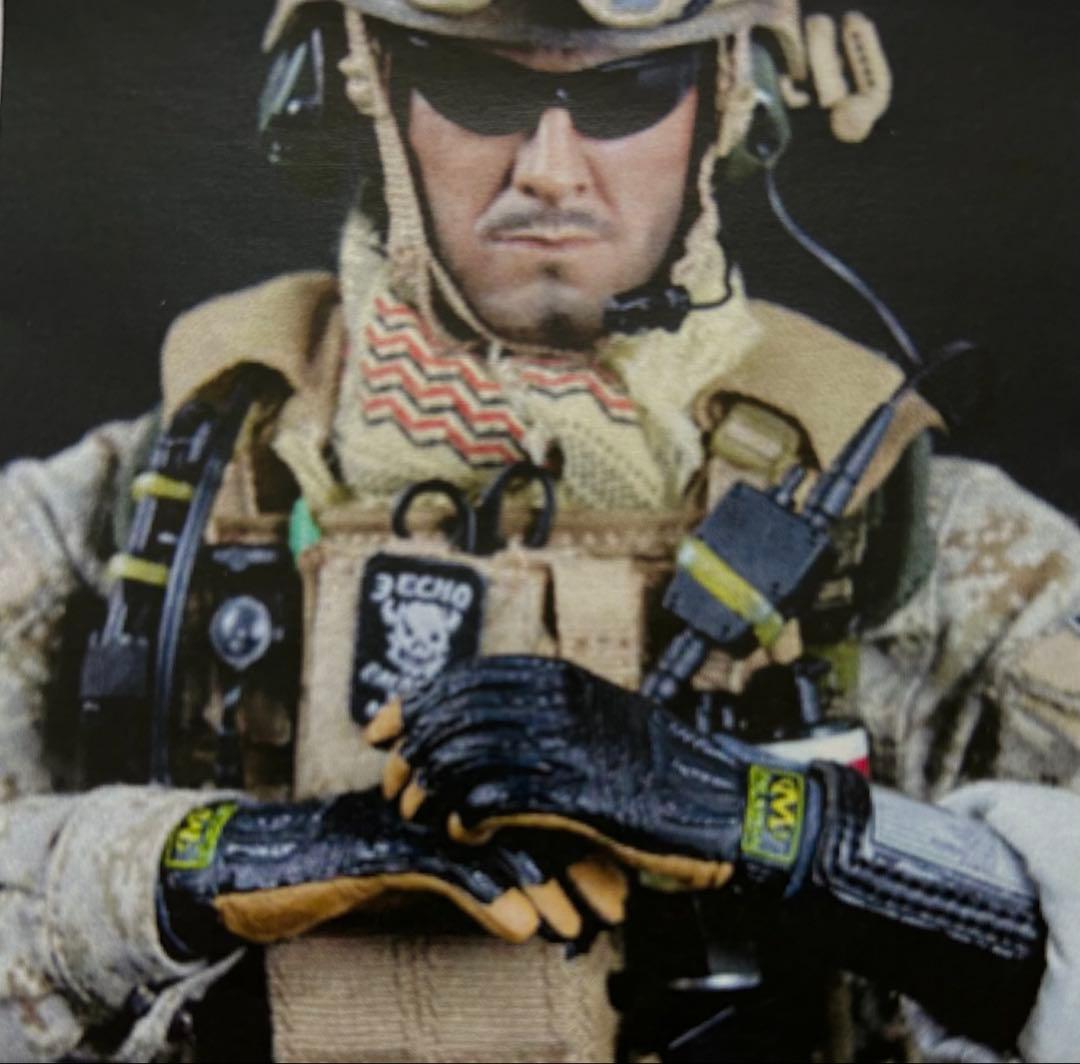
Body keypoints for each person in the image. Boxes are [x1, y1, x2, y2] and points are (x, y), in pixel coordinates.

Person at [2, 1, 1080, 1061]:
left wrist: (797, 835)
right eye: (481, 88)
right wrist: (184, 869)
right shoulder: (136, 511)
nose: (552, 171)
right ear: (358, 84)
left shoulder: (904, 531)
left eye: (625, 91)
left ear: (729, 100)